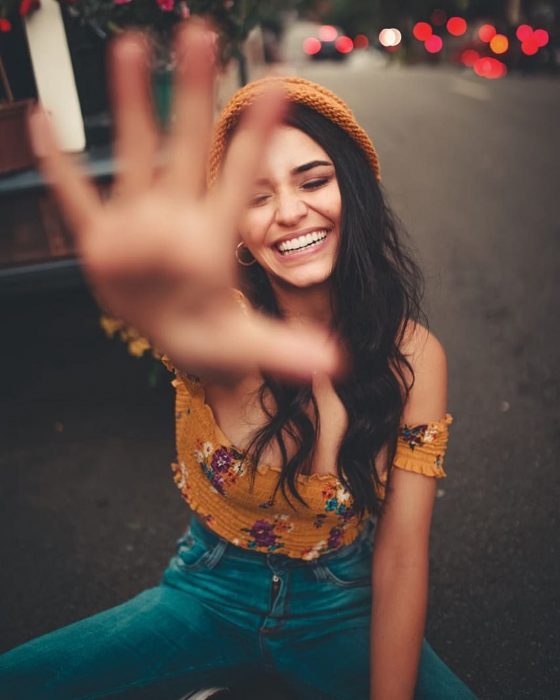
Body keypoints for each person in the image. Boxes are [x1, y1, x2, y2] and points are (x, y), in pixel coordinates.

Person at [0, 22, 477, 700]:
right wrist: (160, 305)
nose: (289, 211)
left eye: (313, 180)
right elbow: (202, 342)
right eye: (256, 196)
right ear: (240, 239)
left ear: (356, 195)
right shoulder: (224, 324)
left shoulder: (417, 357)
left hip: (342, 609)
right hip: (208, 594)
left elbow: (402, 556)